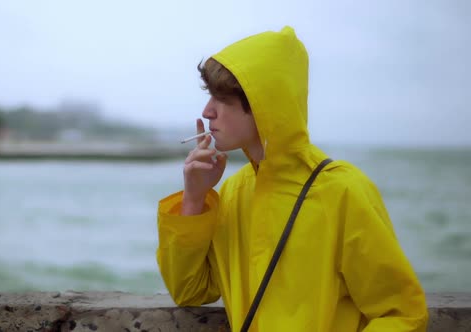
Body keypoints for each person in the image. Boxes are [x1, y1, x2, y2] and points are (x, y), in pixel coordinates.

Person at [156, 26, 428, 331]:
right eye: (210, 97)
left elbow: (403, 314)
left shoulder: (343, 191)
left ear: (265, 103)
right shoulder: (233, 190)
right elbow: (190, 291)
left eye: (222, 98)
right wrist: (193, 198)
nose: (207, 112)